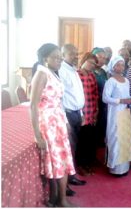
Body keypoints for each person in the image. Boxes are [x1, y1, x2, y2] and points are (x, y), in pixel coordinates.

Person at [30, 43, 76, 207]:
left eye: (60, 57)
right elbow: (33, 105)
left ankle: (56, 197)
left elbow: (58, 101)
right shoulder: (41, 74)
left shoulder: (52, 73)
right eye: (56, 57)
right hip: (48, 123)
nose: (59, 60)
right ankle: (62, 200)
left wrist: (65, 121)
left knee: (59, 160)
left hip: (58, 122)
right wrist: (37, 134)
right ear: (45, 58)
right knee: (59, 161)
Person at [102, 55, 131, 176]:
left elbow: (127, 97)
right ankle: (116, 169)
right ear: (113, 66)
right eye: (118, 64)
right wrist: (121, 101)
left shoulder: (126, 80)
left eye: (122, 64)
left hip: (125, 113)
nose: (120, 67)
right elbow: (105, 98)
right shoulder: (110, 81)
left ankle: (124, 167)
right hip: (115, 113)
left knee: (125, 138)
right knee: (116, 138)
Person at [58, 44, 86, 195]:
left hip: (76, 113)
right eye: (71, 54)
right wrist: (66, 121)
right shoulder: (61, 71)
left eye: (76, 53)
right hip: (67, 115)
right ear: (63, 55)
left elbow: (77, 94)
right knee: (68, 149)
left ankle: (71, 176)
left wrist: (81, 114)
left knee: (73, 148)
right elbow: (60, 98)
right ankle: (66, 183)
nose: (75, 56)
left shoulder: (73, 69)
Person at [76, 52, 99, 176]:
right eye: (90, 62)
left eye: (94, 64)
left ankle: (88, 163)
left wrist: (96, 111)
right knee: (81, 139)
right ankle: (80, 164)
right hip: (81, 112)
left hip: (91, 111)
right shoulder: (76, 75)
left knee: (90, 139)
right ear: (84, 61)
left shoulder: (92, 76)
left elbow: (95, 94)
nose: (92, 65)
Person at [92, 47, 108, 148]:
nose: (101, 60)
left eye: (104, 58)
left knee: (101, 125)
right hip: (93, 103)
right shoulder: (89, 71)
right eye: (99, 57)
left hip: (103, 103)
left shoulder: (103, 72)